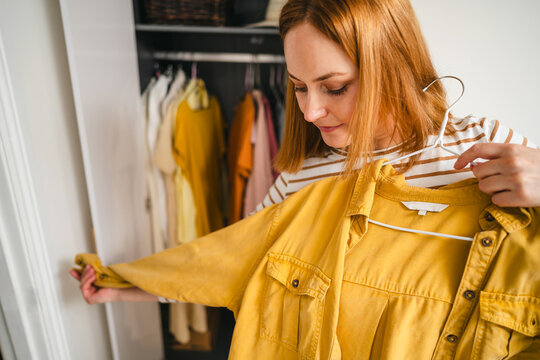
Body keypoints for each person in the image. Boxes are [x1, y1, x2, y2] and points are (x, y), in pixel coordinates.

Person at [70, 0, 540, 358]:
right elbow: (225, 263)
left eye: (334, 87)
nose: (311, 111)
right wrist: (123, 285)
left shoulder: (487, 148)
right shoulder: (303, 179)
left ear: (392, 67)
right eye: (297, 86)